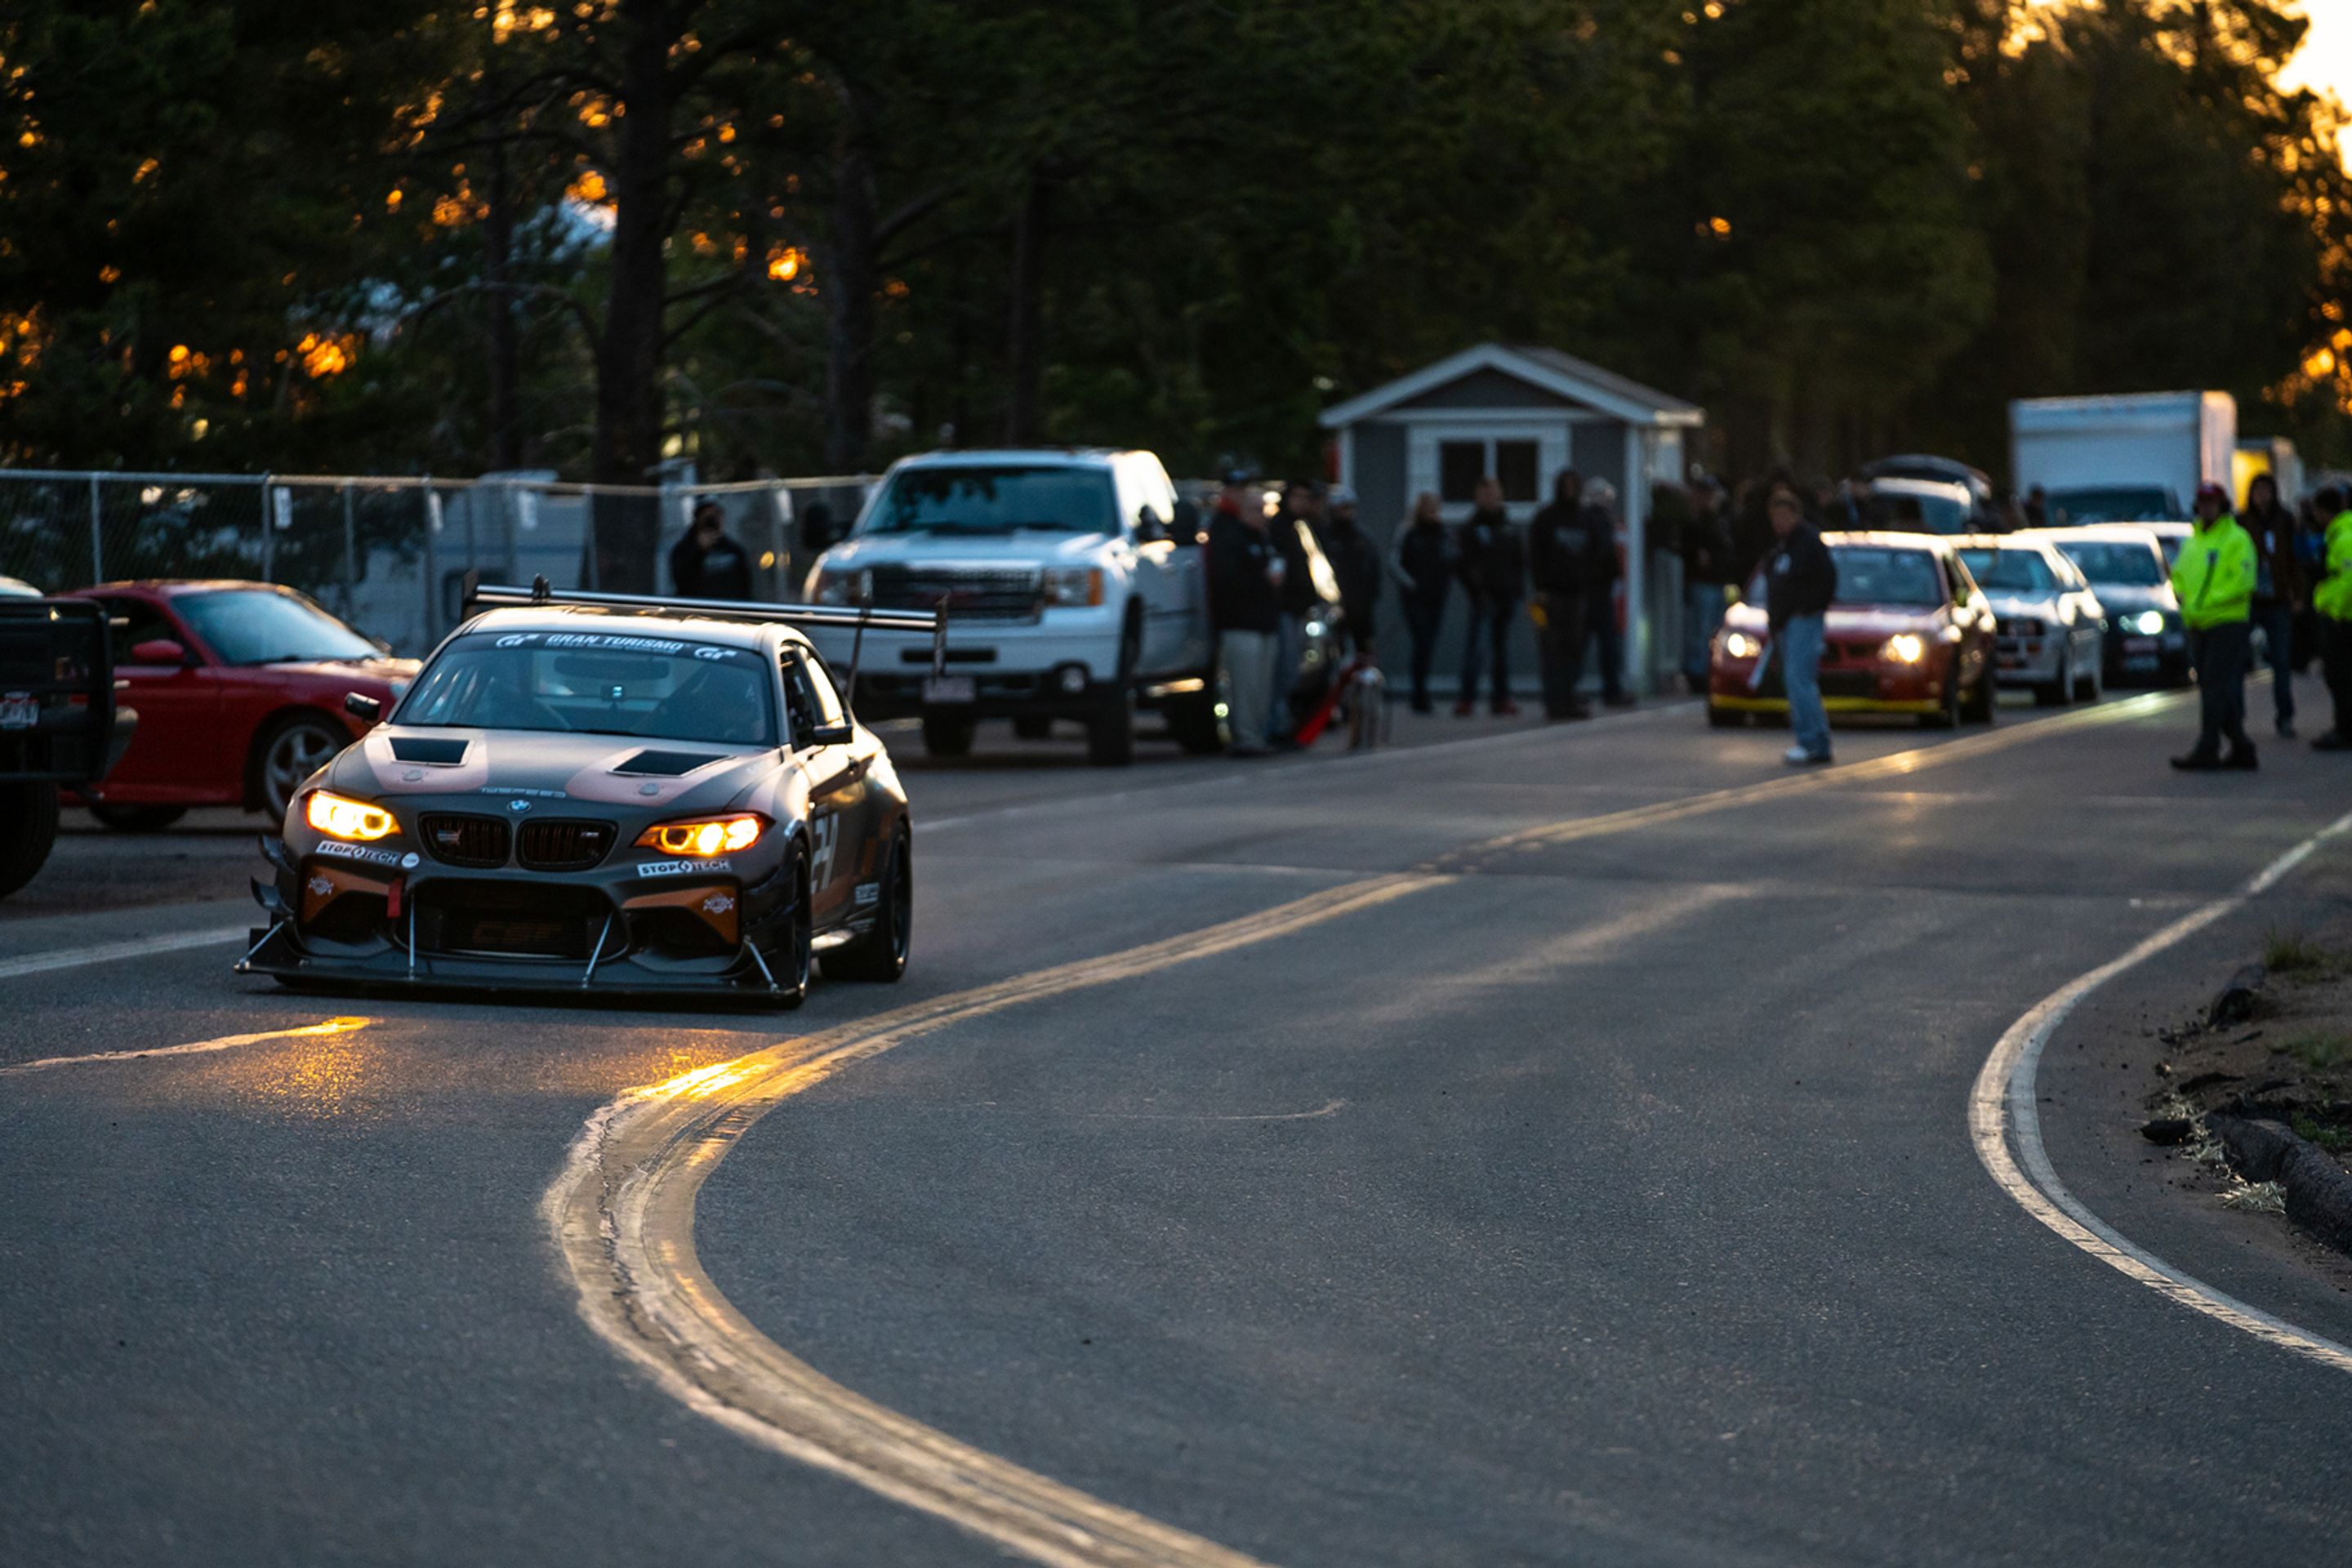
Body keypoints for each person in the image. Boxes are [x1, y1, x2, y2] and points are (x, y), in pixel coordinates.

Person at [2168, 481, 2259, 771]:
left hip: (2227, 621)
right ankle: (2241, 745)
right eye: (2203, 502)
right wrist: (2182, 598)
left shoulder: (2236, 539)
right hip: (2198, 622)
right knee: (2212, 684)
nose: (2207, 508)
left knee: (2214, 684)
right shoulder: (2193, 541)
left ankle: (2209, 745)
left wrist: (2208, 603)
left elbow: (2243, 582)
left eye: (2212, 502)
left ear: (2222, 506)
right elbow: (2179, 575)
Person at [1206, 472, 1283, 758]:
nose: (1262, 515)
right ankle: (1245, 736)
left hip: (1263, 620)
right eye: (1256, 509)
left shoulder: (1261, 539)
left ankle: (1257, 734)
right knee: (1245, 684)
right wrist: (1263, 580)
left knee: (1261, 685)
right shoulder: (1227, 532)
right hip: (1240, 621)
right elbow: (1226, 578)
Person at [1764, 484, 1837, 765]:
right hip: (1787, 622)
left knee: (1799, 681)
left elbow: (1827, 580)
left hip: (1803, 620)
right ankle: (1812, 740)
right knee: (1796, 682)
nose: (1779, 523)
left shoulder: (1808, 543)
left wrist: (1806, 609)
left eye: (1784, 516)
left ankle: (1813, 741)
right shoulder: (1783, 546)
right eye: (1775, 517)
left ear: (1796, 515)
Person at [1454, 477, 1523, 716]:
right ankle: (1466, 698)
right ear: (1477, 497)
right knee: (1477, 649)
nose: (1489, 498)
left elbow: (1519, 562)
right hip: (1483, 599)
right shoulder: (1471, 528)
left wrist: (1518, 592)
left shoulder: (1509, 527)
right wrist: (1477, 592)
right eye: (1484, 494)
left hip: (1506, 597)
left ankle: (1501, 698)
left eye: (1493, 493)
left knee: (1501, 651)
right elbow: (1463, 564)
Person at [1528, 470, 1594, 719]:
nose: (1570, 490)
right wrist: (1540, 587)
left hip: (1577, 595)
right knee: (1551, 649)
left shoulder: (1585, 519)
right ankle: (1554, 702)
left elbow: (1595, 553)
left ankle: (1569, 698)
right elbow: (1535, 555)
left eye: (1573, 485)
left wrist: (1588, 581)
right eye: (1565, 486)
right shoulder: (1546, 519)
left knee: (1574, 648)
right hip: (1551, 595)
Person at [2241, 472, 2302, 738]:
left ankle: (2285, 716)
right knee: (2239, 662)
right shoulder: (2242, 522)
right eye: (2257, 491)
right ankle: (2235, 718)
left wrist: (2298, 594)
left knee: (2281, 661)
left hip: (2277, 600)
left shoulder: (2285, 520)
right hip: (2250, 599)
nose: (2261, 496)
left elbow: (2296, 559)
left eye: (2266, 490)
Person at [1266, 481, 1321, 747]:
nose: (1302, 503)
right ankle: (1277, 726)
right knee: (1284, 670)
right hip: (1285, 610)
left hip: (1297, 608)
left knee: (1293, 669)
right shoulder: (1278, 529)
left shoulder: (1298, 529)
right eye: (1297, 497)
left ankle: (1283, 722)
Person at [1388, 491, 1453, 713]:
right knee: (1422, 642)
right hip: (1415, 599)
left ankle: (1422, 691)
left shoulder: (1443, 533)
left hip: (1436, 598)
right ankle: (1418, 693)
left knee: (1428, 645)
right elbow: (1394, 564)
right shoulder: (1408, 532)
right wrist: (1412, 585)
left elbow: (1451, 559)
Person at [1680, 477, 1736, 693]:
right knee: (1701, 630)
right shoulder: (1696, 521)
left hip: (1717, 580)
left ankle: (1709, 670)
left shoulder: (1719, 519)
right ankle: (1698, 673)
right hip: (1703, 581)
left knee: (1712, 630)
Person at [1583, 479, 1632, 706]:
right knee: (1604, 643)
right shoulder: (1599, 521)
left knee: (1587, 642)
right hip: (1596, 590)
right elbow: (1604, 555)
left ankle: (1571, 687)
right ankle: (1610, 690)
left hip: (1592, 588)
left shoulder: (1585, 519)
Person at [2310, 485, 2352, 751]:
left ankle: (2345, 730)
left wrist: (2337, 612)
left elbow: (2348, 581)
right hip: (2341, 616)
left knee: (2341, 677)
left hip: (2343, 619)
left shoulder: (2344, 537)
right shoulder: (2338, 534)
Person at [1321, 486, 1380, 657]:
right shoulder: (1325, 536)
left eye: (1351, 507)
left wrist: (1368, 599)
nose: (1348, 512)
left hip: (1361, 607)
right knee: (1334, 652)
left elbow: (1373, 570)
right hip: (1334, 608)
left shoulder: (1362, 538)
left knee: (1365, 651)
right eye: (1343, 507)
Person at [670, 501, 754, 599]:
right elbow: (681, 581)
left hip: (729, 607)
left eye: (717, 516)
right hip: (697, 608)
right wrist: (698, 550)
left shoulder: (732, 549)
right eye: (708, 517)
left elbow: (745, 582)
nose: (713, 521)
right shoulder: (684, 549)